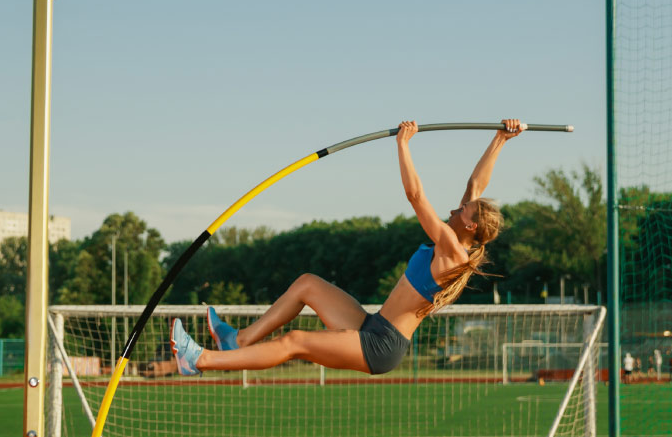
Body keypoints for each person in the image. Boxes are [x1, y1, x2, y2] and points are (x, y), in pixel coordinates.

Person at [170, 119, 518, 376]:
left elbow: (415, 196)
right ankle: (239, 341)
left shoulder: (453, 252)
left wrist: (403, 144)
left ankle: (199, 360)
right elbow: (476, 183)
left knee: (295, 342)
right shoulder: (458, 237)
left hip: (381, 346)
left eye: (463, 210)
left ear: (471, 225)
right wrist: (500, 139)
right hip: (374, 324)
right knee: (307, 284)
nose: (456, 208)